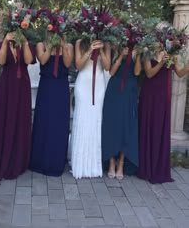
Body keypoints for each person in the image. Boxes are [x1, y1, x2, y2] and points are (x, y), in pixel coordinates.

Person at [0, 32, 36, 182]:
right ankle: (2, 158)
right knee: (5, 118)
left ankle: (19, 161)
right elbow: (1, 61)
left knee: (20, 120)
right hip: (7, 85)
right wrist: (5, 42)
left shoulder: (27, 45)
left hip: (22, 86)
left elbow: (29, 60)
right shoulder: (1, 44)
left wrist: (24, 41)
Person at [138, 47, 189, 184]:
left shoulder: (172, 54)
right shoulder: (148, 51)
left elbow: (179, 73)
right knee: (149, 127)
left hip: (163, 96)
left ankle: (158, 165)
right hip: (149, 95)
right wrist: (161, 63)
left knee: (160, 128)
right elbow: (149, 74)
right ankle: (146, 166)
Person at [29, 32, 73, 176]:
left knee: (59, 124)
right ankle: (39, 160)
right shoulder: (41, 45)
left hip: (61, 88)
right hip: (46, 87)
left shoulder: (68, 46)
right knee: (44, 122)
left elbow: (67, 63)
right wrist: (50, 46)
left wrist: (62, 46)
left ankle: (56, 161)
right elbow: (43, 60)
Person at [71, 39, 111, 179]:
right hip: (83, 85)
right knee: (83, 119)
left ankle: (94, 165)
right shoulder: (80, 42)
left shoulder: (106, 43)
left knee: (96, 121)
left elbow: (107, 67)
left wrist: (100, 49)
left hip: (99, 85)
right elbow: (78, 65)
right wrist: (89, 50)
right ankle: (79, 164)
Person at [102, 47, 141, 180]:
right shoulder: (114, 49)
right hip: (114, 90)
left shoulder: (137, 51)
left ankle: (121, 164)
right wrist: (120, 56)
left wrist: (137, 56)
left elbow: (137, 72)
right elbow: (111, 72)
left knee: (126, 126)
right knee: (112, 126)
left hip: (129, 92)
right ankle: (111, 162)